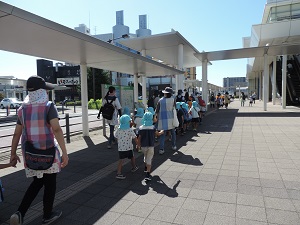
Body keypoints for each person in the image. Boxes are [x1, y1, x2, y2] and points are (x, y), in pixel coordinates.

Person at [9, 75, 69, 225]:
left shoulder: (22, 109)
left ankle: (20, 212)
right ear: (42, 91)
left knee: (37, 182)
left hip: (31, 154)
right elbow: (56, 129)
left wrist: (12, 153)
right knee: (50, 184)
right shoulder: (48, 106)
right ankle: (47, 215)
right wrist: (65, 153)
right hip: (48, 153)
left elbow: (17, 132)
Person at [137, 112, 163, 181]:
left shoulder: (141, 128)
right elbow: (158, 134)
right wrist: (162, 131)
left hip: (143, 146)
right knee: (149, 159)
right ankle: (148, 173)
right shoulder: (153, 127)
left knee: (145, 156)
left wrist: (138, 145)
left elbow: (139, 138)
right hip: (151, 145)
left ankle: (146, 167)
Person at [114, 115, 139, 179]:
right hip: (129, 148)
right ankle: (134, 167)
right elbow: (135, 138)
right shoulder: (129, 130)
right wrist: (138, 144)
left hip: (121, 148)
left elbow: (116, 137)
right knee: (132, 157)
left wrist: (119, 142)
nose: (130, 122)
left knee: (121, 160)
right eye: (129, 121)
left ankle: (118, 173)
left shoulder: (118, 129)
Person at [155, 87, 177, 155]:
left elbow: (157, 110)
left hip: (162, 119)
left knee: (162, 135)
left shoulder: (160, 100)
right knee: (173, 133)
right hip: (171, 119)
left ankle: (161, 149)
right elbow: (175, 108)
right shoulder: (173, 100)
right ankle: (173, 146)